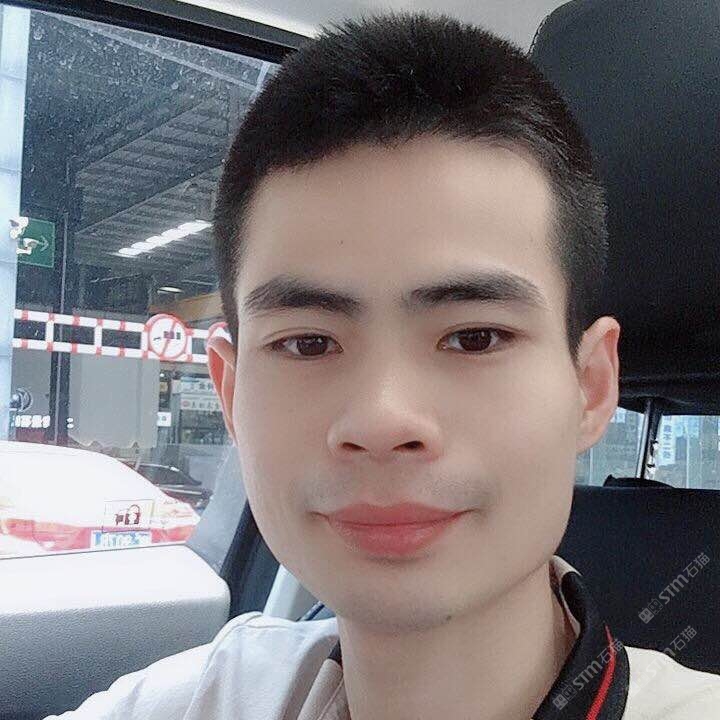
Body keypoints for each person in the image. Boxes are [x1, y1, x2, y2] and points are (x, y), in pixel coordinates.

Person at [47, 10, 720, 720]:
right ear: (231, 391)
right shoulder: (205, 697)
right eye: (308, 344)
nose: (380, 421)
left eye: (475, 338)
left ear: (590, 386)